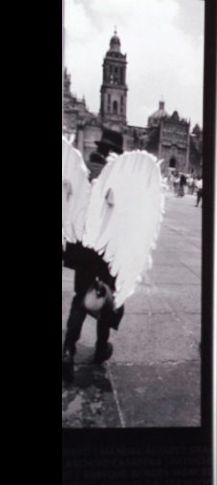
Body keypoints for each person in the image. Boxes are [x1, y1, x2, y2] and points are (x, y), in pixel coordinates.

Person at [62, 129, 125, 383]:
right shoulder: (118, 177)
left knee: (80, 298)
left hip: (84, 248)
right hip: (106, 249)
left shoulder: (85, 169)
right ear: (117, 153)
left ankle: (67, 350)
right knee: (105, 299)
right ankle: (100, 348)